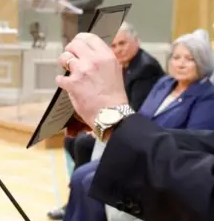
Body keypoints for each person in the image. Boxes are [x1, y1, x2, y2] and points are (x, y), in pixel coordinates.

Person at [57, 32, 214, 220]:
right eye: (176, 57)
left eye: (189, 59)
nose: (181, 64)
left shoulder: (207, 96)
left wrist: (119, 125)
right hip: (160, 151)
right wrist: (122, 130)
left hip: (176, 167)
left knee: (89, 180)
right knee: (82, 174)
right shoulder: (165, 84)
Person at [50, 22, 164, 219]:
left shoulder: (145, 68)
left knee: (83, 143)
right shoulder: (122, 65)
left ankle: (80, 199)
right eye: (114, 45)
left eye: (123, 44)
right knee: (71, 139)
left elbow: (134, 108)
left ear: (136, 42)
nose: (118, 49)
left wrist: (99, 123)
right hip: (118, 120)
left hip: (130, 127)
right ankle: (75, 199)